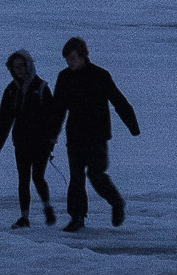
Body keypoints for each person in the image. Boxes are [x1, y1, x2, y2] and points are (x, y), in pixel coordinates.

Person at [53, 35, 138, 230]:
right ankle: (77, 217)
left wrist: (132, 126)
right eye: (67, 59)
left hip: (97, 136)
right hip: (74, 135)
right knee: (76, 177)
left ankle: (116, 202)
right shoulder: (64, 77)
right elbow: (57, 109)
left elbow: (119, 101)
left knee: (95, 174)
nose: (69, 63)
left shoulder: (100, 75)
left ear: (82, 56)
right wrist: (52, 134)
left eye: (72, 58)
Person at [0, 49, 63, 226]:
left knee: (37, 177)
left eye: (22, 66)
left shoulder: (41, 87)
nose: (19, 70)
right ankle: (25, 217)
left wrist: (52, 138)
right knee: (23, 179)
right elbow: (4, 118)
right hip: (21, 141)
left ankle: (47, 208)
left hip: (41, 142)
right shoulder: (11, 90)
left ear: (29, 66)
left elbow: (53, 116)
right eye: (16, 67)